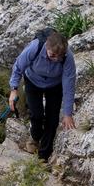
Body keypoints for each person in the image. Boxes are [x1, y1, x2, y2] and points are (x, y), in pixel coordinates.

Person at [8, 31, 77, 162]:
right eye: (52, 56)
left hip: (54, 85)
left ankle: (43, 156)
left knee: (52, 119)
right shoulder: (35, 47)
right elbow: (18, 66)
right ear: (47, 47)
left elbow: (69, 85)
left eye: (59, 57)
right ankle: (35, 137)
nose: (56, 59)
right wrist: (14, 89)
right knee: (36, 114)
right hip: (32, 81)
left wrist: (68, 113)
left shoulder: (68, 57)